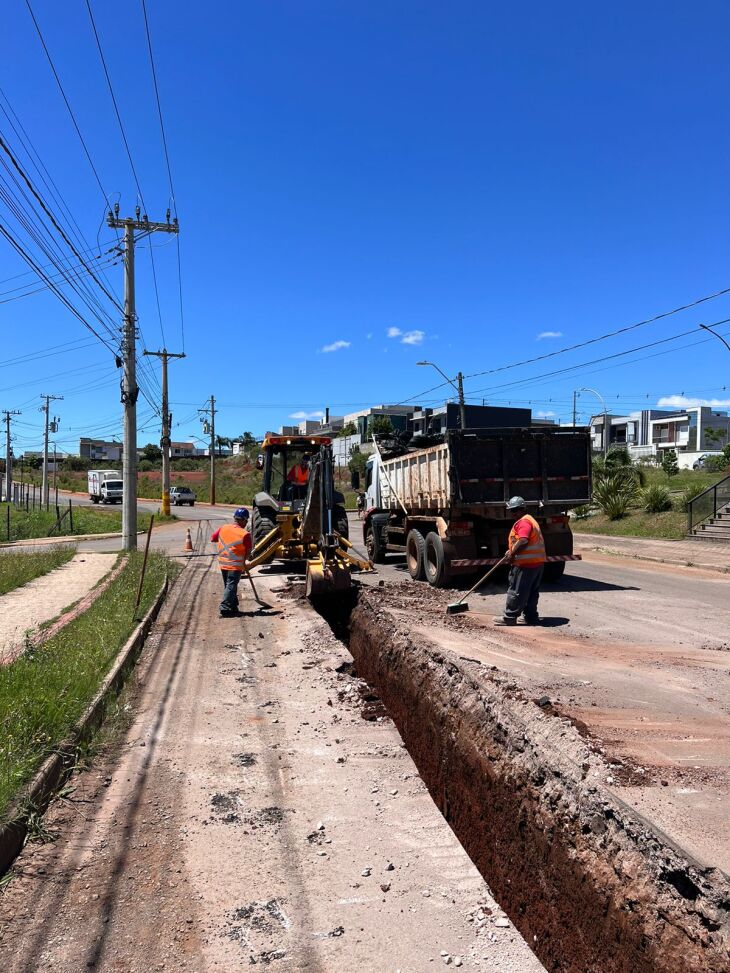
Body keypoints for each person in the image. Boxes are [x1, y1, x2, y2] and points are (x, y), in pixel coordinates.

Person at [495, 496, 546, 627]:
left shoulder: (523, 522)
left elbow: (523, 540)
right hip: (536, 563)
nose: (513, 513)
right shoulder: (530, 520)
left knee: (517, 591)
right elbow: (520, 541)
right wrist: (511, 549)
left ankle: (510, 617)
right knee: (531, 592)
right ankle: (531, 617)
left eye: (515, 510)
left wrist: (512, 553)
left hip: (526, 565)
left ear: (522, 509)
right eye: (512, 510)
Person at [210, 507, 252, 618]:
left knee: (229, 586)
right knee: (231, 586)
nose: (246, 523)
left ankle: (233, 606)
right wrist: (244, 561)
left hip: (223, 563)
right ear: (242, 520)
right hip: (235, 565)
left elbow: (213, 538)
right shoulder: (245, 534)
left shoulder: (223, 528)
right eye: (246, 521)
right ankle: (225, 608)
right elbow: (248, 551)